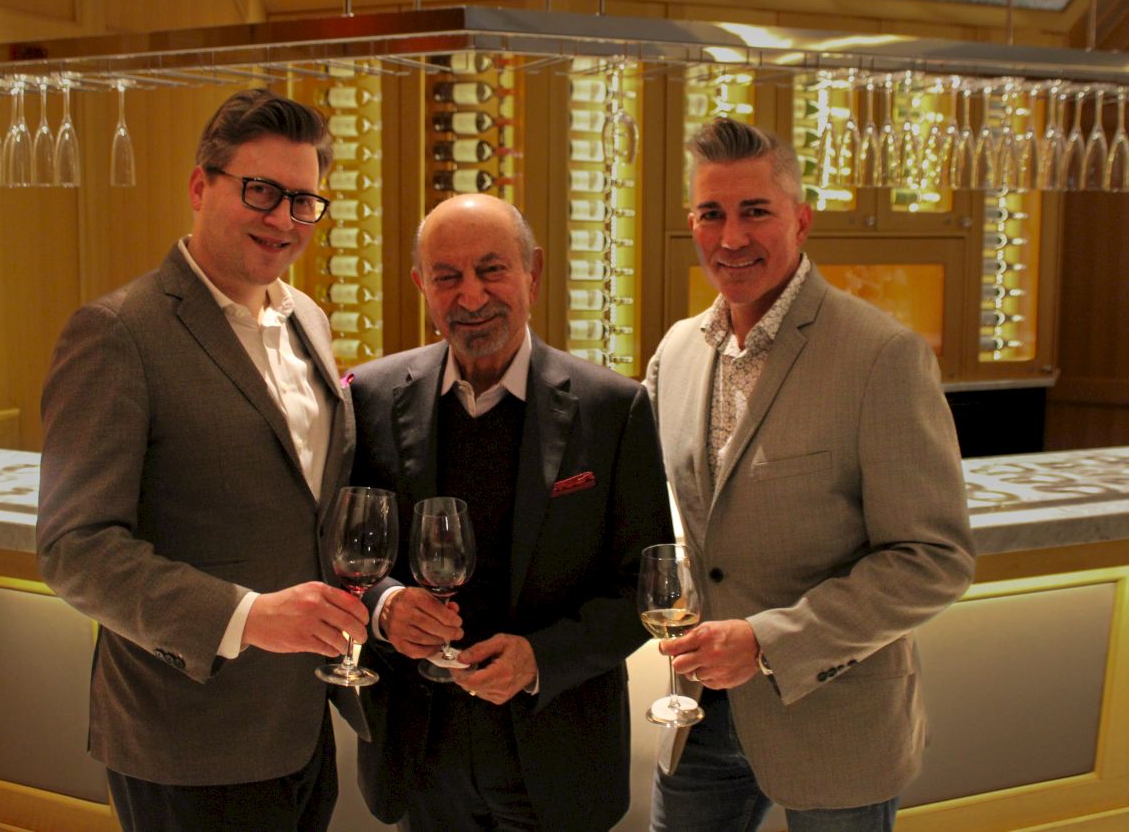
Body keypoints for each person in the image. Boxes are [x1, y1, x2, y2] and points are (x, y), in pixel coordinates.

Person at [36, 89, 369, 831]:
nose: (284, 219)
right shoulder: (116, 333)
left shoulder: (305, 318)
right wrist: (248, 616)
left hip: (301, 715)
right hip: (183, 734)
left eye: (304, 201)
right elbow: (74, 551)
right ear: (199, 186)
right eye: (261, 191)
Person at [645, 117, 975, 832]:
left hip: (836, 723)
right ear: (692, 224)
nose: (732, 238)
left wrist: (768, 640)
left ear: (800, 220)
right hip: (695, 717)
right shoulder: (674, 355)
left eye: (755, 212)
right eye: (713, 213)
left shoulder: (881, 356)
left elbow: (933, 560)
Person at [347, 193, 672, 831]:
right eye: (447, 276)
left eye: (492, 269)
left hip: (557, 755)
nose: (471, 297)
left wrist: (539, 659)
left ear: (534, 272)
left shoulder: (614, 409)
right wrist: (383, 606)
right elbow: (341, 551)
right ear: (421, 285)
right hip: (419, 753)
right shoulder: (369, 397)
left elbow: (644, 587)